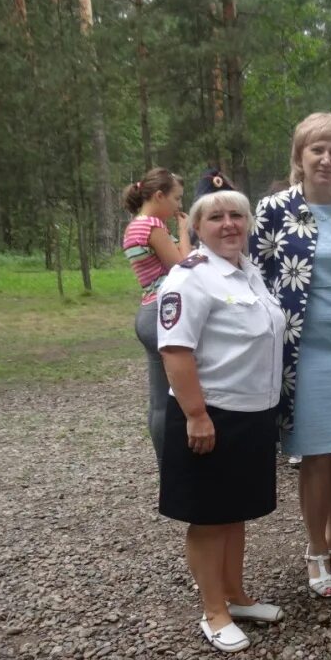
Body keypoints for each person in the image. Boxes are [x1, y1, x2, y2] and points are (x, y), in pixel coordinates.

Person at [249, 114, 331, 598]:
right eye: (317, 150)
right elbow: (254, 277)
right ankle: (314, 548)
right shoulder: (274, 209)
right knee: (315, 456)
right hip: (300, 354)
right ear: (299, 157)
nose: (326, 159)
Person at [157, 170, 286, 652]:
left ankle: (235, 595)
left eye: (237, 215)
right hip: (211, 415)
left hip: (251, 413)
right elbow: (175, 350)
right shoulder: (190, 277)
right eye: (216, 216)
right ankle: (212, 611)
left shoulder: (247, 271)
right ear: (197, 224)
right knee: (210, 517)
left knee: (235, 513)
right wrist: (196, 414)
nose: (229, 224)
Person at [121, 168, 190, 467]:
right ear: (159, 196)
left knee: (159, 399)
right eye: (175, 198)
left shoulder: (133, 226)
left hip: (147, 311)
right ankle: (173, 465)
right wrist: (185, 232)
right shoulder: (152, 225)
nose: (178, 206)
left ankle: (166, 465)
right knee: (174, 397)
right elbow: (182, 266)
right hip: (164, 312)